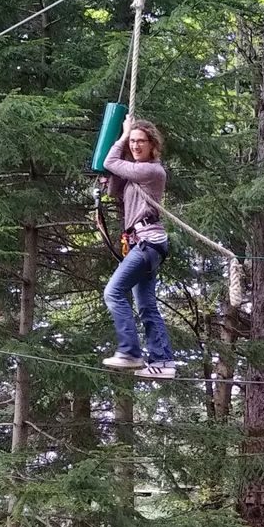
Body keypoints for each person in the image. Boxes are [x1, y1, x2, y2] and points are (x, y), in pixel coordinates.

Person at [101, 116, 176, 380]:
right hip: (143, 244)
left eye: (140, 141)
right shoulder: (135, 173)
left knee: (113, 292)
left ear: (152, 145)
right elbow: (113, 191)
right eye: (132, 141)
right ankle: (163, 360)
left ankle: (130, 351)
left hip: (148, 243)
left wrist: (120, 136)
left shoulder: (152, 171)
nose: (134, 145)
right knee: (146, 305)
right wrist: (109, 178)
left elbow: (110, 162)